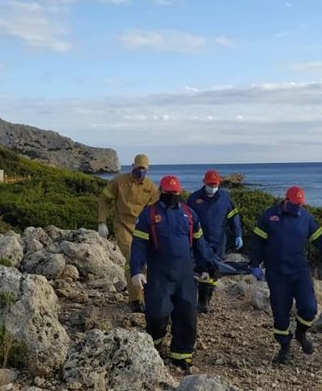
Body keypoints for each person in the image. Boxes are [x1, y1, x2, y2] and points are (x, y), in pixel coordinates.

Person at [130, 175, 215, 373]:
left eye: (175, 193)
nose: (173, 196)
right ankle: (154, 345)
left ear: (180, 192)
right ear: (161, 192)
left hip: (185, 274)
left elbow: (199, 244)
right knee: (157, 314)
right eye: (169, 193)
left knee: (187, 314)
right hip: (159, 272)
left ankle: (182, 355)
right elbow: (139, 246)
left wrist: (204, 267)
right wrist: (136, 271)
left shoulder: (189, 214)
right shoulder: (148, 215)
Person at [249, 186, 322, 364]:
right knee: (280, 315)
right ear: (286, 200)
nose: (298, 207)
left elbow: (320, 238)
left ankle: (301, 332)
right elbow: (257, 241)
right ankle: (284, 346)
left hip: (299, 271)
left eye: (301, 204)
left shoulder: (306, 218)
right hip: (276, 273)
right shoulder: (269, 216)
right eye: (295, 204)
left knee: (309, 308)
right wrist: (254, 264)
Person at [97, 154, 159, 313]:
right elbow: (104, 199)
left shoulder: (150, 187)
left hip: (142, 229)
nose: (141, 171)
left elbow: (156, 210)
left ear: (148, 169)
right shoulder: (119, 181)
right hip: (122, 225)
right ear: (132, 165)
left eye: (143, 169)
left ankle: (144, 296)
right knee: (132, 257)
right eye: (138, 168)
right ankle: (136, 300)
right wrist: (102, 222)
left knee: (144, 262)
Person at [186, 169, 244, 313]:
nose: (212, 187)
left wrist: (238, 234)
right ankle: (192, 299)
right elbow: (185, 219)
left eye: (215, 184)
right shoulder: (194, 199)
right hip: (198, 240)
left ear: (219, 183)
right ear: (204, 182)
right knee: (198, 268)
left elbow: (233, 216)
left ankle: (205, 300)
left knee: (213, 270)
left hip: (218, 241)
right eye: (210, 184)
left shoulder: (225, 198)